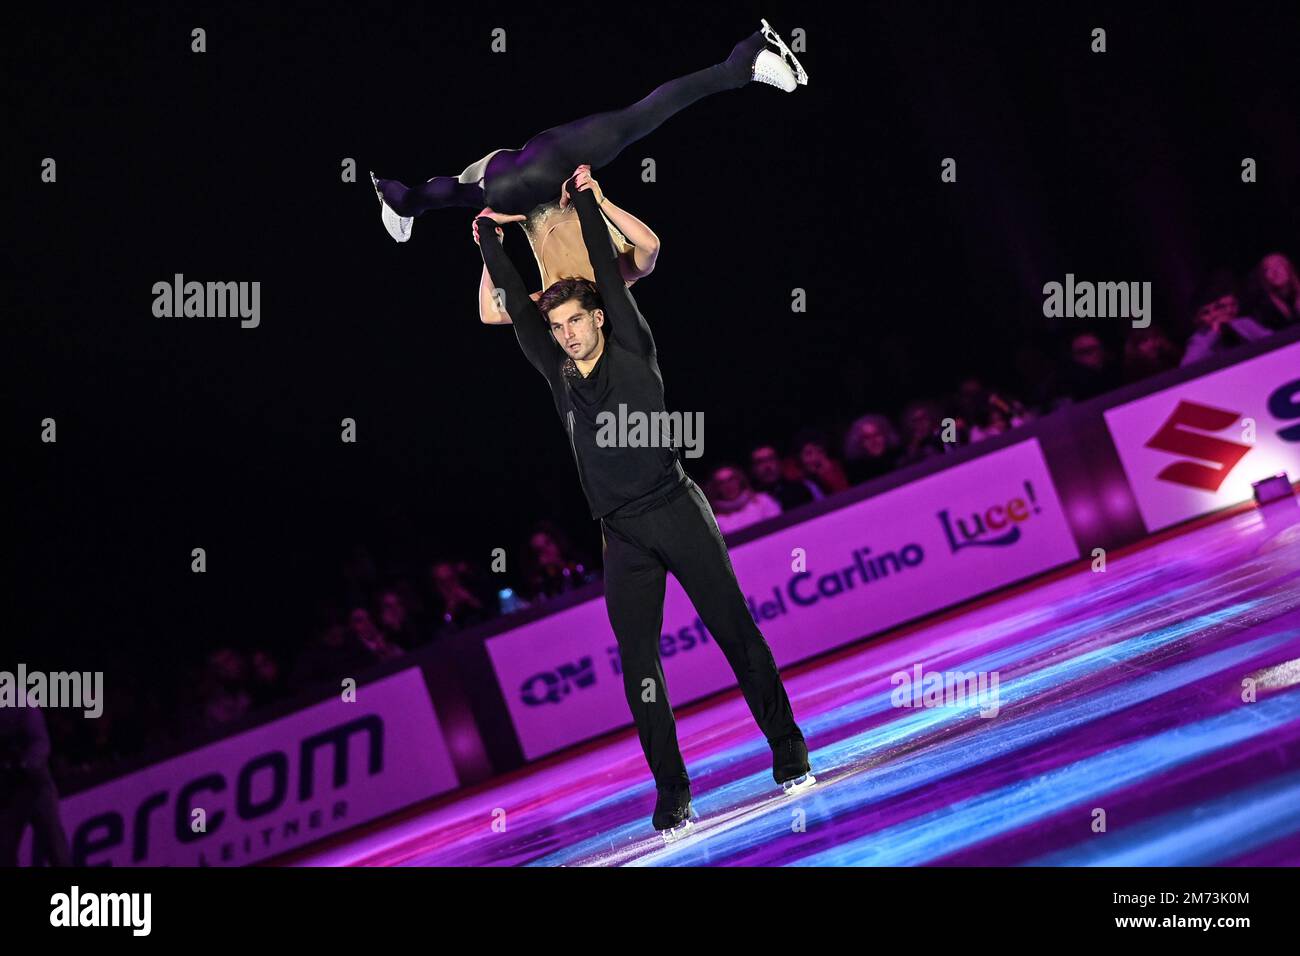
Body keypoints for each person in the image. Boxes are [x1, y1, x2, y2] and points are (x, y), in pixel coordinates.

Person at [472, 169, 813, 841]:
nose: (567, 334)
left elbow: (618, 256)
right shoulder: (557, 370)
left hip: (676, 509)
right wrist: (485, 237)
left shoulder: (630, 342)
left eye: (576, 321)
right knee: (640, 669)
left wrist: (594, 201)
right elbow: (507, 300)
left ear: (601, 315)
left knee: (735, 633)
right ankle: (674, 794)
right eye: (559, 326)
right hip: (620, 533)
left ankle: (789, 748)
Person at [372, 19, 807, 238]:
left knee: (640, 118)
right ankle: (400, 200)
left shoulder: (493, 197)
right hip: (523, 173)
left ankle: (743, 62)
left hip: (526, 183)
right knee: (456, 190)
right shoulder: (488, 184)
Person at [0, 693, 72, 866]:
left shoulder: (18, 701)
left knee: (55, 847)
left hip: (36, 785)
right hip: (7, 793)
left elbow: (40, 742)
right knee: (4, 851)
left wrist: (24, 766)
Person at [1180, 271, 1273, 367]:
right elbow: (1187, 366)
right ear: (1197, 319)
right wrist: (1214, 332)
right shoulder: (1200, 339)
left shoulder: (1242, 323)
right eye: (1206, 313)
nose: (1213, 314)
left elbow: (1273, 340)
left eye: (1217, 308)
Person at [706, 464, 782, 533]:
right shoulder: (716, 521)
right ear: (716, 488)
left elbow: (780, 528)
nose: (728, 486)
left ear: (739, 480)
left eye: (731, 479)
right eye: (721, 483)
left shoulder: (763, 501)